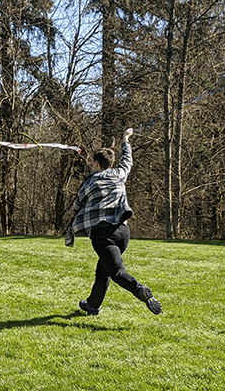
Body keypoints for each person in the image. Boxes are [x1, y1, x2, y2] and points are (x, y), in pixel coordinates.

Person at [66, 128, 162, 316]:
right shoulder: (119, 174)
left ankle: (141, 291)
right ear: (110, 164)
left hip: (103, 235)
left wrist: (73, 220)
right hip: (123, 233)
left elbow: (78, 203)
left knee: (117, 272)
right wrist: (125, 139)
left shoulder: (90, 182)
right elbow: (127, 160)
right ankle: (92, 306)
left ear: (96, 164)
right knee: (104, 269)